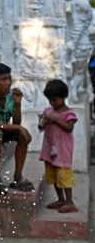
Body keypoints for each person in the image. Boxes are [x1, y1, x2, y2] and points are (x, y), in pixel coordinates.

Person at [0, 63, 34, 194]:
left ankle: (18, 177)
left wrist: (18, 103)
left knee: (22, 136)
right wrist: (19, 127)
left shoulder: (11, 96)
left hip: (4, 130)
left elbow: (16, 121)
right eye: (3, 79)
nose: (8, 83)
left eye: (9, 79)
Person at [38, 79, 79, 213]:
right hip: (50, 149)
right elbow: (42, 128)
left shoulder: (69, 114)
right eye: (50, 100)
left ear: (64, 97)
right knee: (54, 176)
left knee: (64, 176)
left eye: (55, 100)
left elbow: (69, 128)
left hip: (63, 150)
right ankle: (60, 199)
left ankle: (70, 202)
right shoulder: (48, 110)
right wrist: (42, 121)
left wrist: (55, 120)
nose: (52, 103)